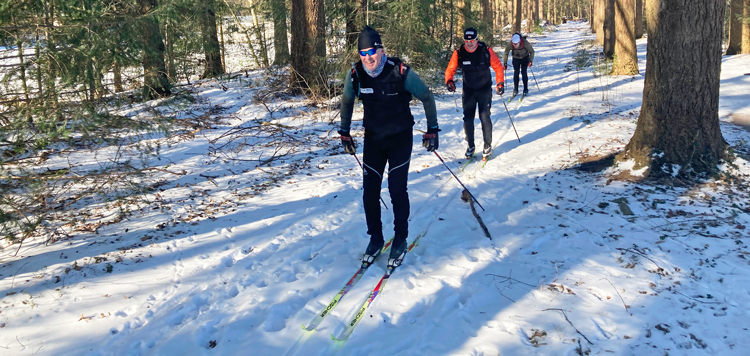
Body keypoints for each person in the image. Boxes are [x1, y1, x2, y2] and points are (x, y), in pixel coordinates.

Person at [339, 26, 439, 267]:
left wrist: (432, 129)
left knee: (396, 189)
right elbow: (347, 100)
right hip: (373, 140)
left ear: (381, 50)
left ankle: (401, 238)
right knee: (370, 192)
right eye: (363, 53)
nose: (368, 57)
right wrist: (344, 133)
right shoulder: (356, 75)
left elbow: (426, 96)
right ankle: (375, 238)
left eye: (372, 51)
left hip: (400, 139)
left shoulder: (400, 72)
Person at [445, 28, 505, 160]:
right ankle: (471, 145)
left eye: (472, 40)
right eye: (467, 41)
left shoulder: (485, 50)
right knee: (467, 118)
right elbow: (451, 68)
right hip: (469, 90)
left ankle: (487, 145)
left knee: (484, 117)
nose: (469, 43)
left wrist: (500, 82)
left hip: (484, 89)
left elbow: (497, 65)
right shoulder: (459, 52)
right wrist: (449, 80)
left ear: (476, 40)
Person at [503, 33, 535, 97]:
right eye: (514, 44)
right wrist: (505, 63)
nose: (514, 45)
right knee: (516, 73)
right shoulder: (510, 44)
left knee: (524, 72)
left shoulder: (525, 43)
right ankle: (515, 89)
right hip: (515, 58)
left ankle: (525, 89)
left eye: (516, 44)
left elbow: (532, 51)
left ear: (519, 42)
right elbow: (506, 52)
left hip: (525, 58)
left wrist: (530, 60)